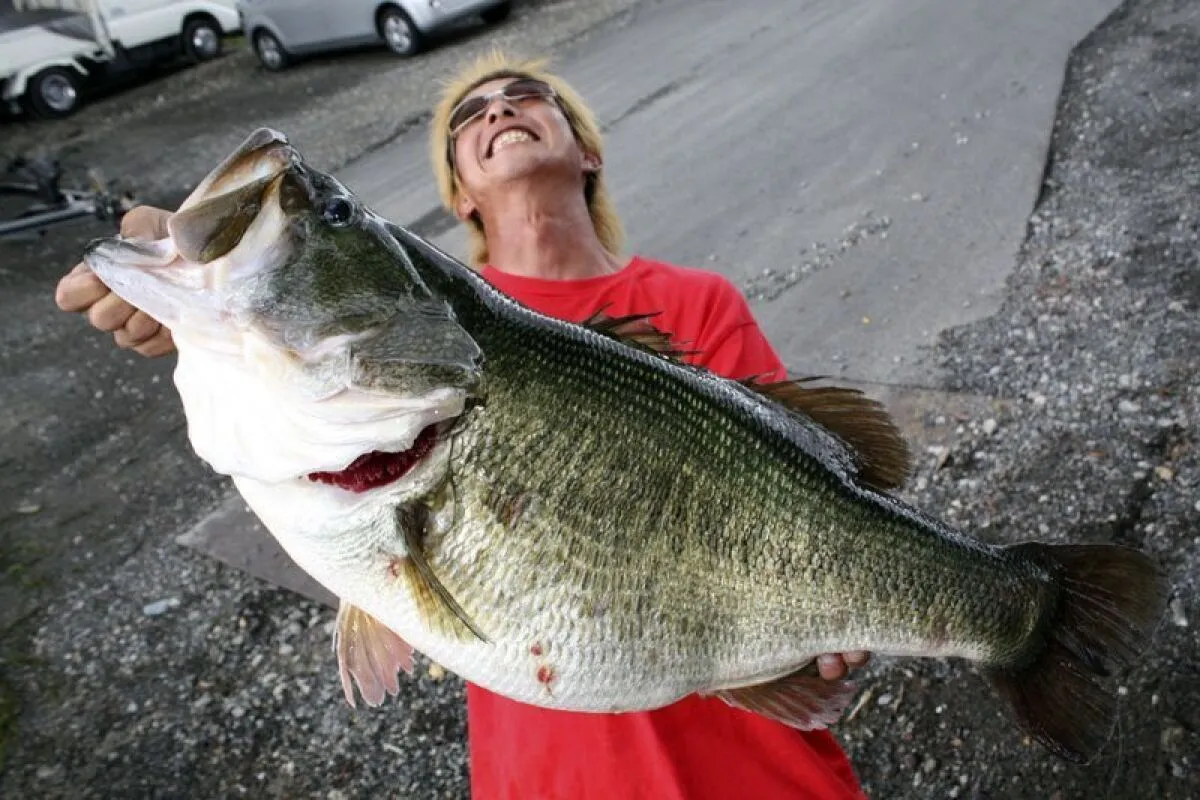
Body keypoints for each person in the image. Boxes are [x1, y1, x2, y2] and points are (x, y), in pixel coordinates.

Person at [56, 50, 871, 799]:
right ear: (458, 194)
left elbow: (816, 486)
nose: (500, 110)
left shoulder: (700, 302)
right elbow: (301, 443)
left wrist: (847, 603)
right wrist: (204, 313)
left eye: (529, 98)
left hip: (758, 772)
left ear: (587, 151)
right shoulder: (412, 341)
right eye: (470, 115)